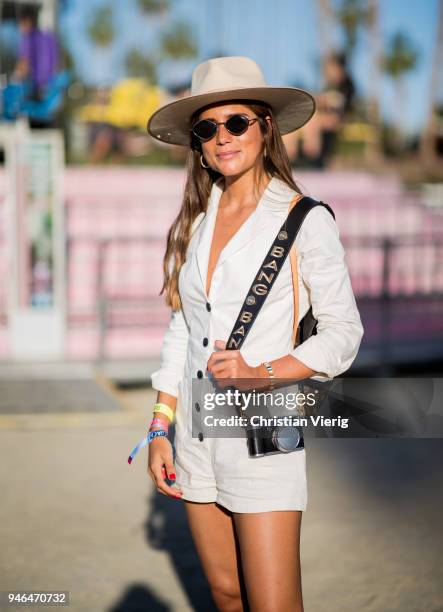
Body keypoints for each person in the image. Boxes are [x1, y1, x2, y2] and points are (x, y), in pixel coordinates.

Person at [143, 56, 364, 611]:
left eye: (236, 122)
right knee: (224, 592)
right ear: (196, 143)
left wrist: (260, 372)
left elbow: (343, 334)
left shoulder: (304, 218)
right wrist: (159, 426)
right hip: (194, 429)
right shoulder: (197, 219)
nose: (222, 138)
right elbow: (183, 328)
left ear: (266, 126)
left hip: (265, 427)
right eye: (207, 128)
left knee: (272, 603)